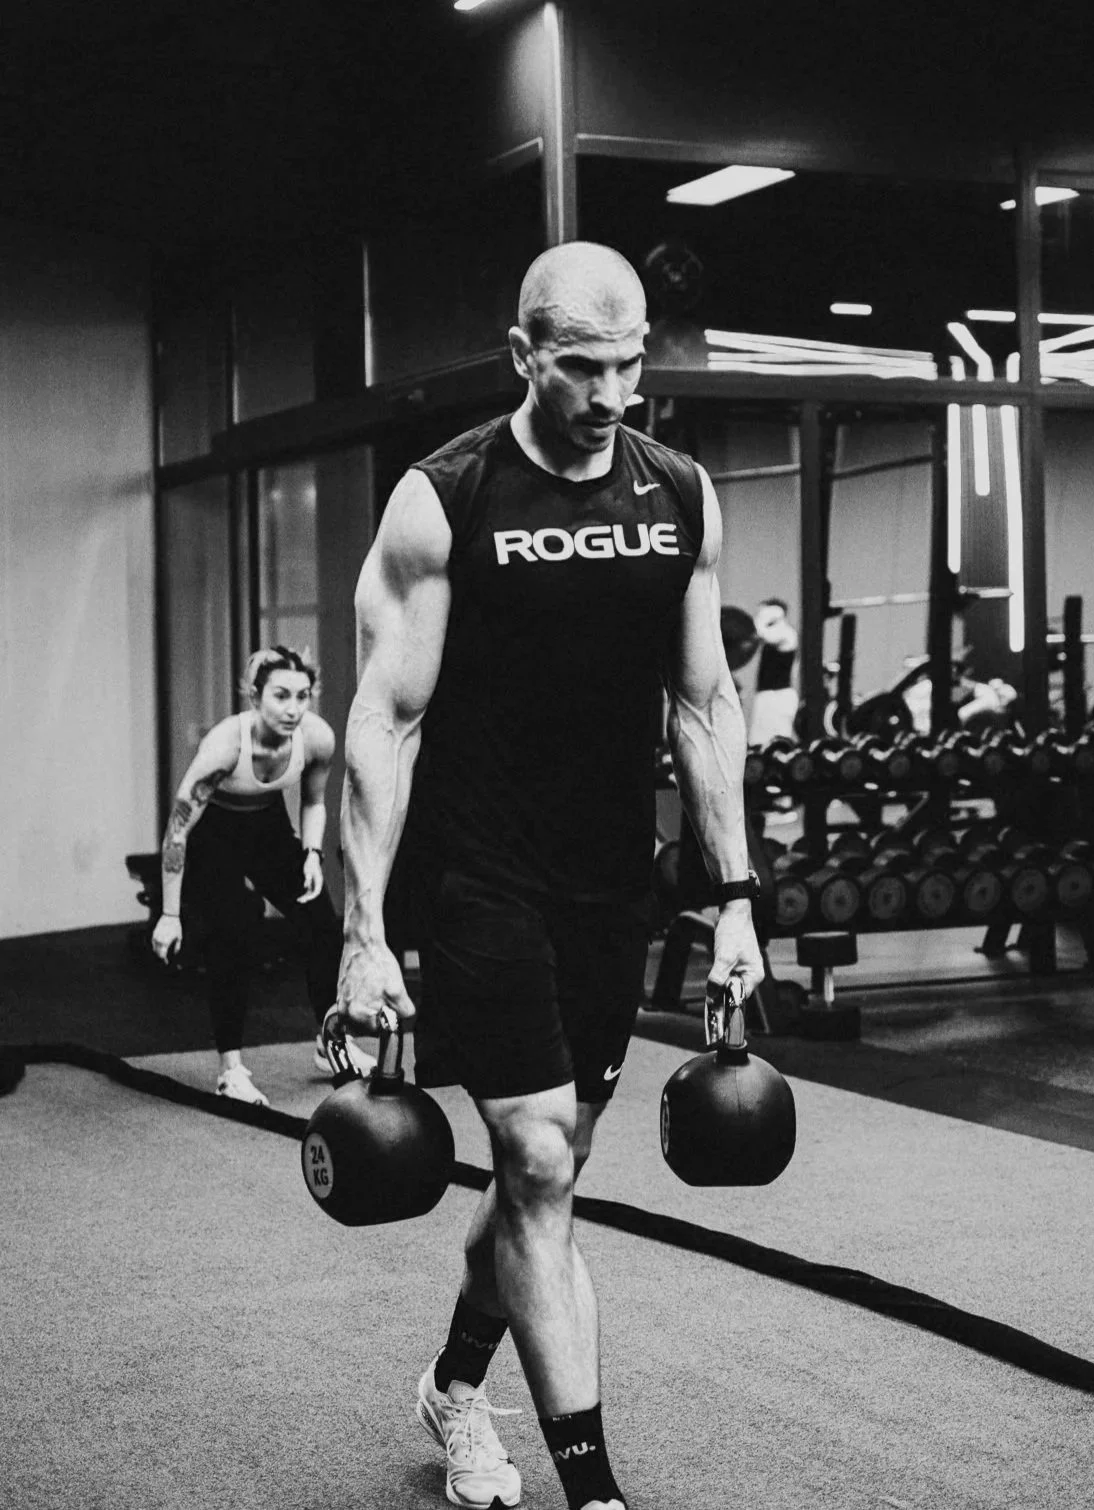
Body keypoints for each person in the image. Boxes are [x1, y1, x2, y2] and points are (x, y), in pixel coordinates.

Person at [335, 241, 765, 1510]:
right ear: (524, 354)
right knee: (530, 1157)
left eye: (631, 365)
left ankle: (454, 1385)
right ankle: (596, 1491)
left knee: (553, 1167)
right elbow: (385, 719)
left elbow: (704, 705)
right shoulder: (445, 499)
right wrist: (364, 928)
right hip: (479, 873)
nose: (612, 394)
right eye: (583, 367)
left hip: (608, 885)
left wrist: (736, 904)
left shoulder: (679, 494)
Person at [151, 646, 372, 1104]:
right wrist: (169, 916)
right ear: (255, 697)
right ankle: (230, 1070)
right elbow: (177, 832)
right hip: (214, 834)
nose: (293, 709)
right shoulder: (224, 747)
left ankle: (330, 1040)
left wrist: (311, 855)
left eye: (302, 696)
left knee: (320, 924)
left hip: (268, 828)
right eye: (281, 696)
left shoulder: (317, 738)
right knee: (234, 933)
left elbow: (314, 801)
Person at [748, 597, 799, 746]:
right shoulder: (773, 634)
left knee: (777, 744)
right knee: (759, 743)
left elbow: (761, 632)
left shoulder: (786, 634)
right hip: (766, 697)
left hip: (779, 697)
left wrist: (765, 617)